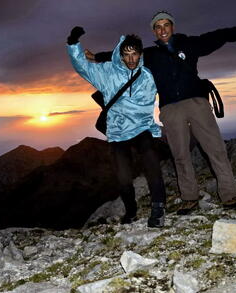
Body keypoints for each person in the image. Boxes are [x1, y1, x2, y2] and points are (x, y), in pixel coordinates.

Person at [88, 12, 236, 214]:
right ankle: (189, 198)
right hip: (170, 109)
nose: (162, 30)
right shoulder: (150, 55)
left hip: (197, 103)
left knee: (215, 149)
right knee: (180, 155)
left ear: (172, 26)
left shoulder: (190, 44)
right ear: (154, 31)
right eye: (158, 27)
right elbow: (124, 56)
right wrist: (96, 58)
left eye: (166, 25)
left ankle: (229, 195)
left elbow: (221, 35)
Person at [67, 27, 167, 227]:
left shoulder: (148, 76)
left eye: (135, 54)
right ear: (120, 55)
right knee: (123, 176)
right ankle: (130, 211)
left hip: (142, 128)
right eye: (126, 54)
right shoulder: (107, 73)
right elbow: (82, 67)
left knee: (151, 162)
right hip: (118, 132)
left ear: (141, 54)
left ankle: (158, 207)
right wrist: (73, 44)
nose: (131, 59)